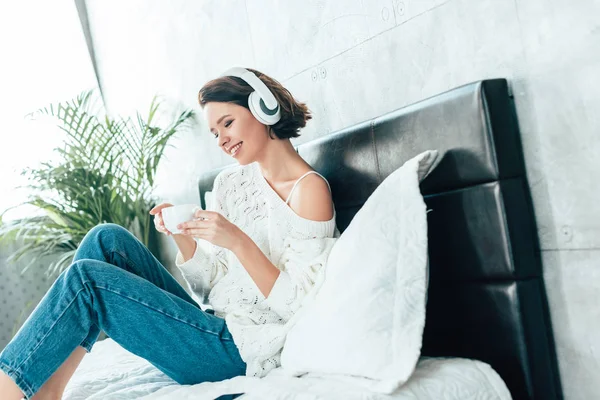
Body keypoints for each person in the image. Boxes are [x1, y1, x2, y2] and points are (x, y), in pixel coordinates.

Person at [0, 67, 339, 400]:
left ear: (263, 109)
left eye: (227, 123)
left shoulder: (309, 191)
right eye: (214, 132)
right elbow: (209, 289)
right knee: (106, 239)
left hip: (242, 350)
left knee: (87, 280)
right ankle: (50, 390)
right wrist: (184, 238)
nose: (221, 140)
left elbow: (299, 308)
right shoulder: (231, 182)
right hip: (213, 325)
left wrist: (239, 242)